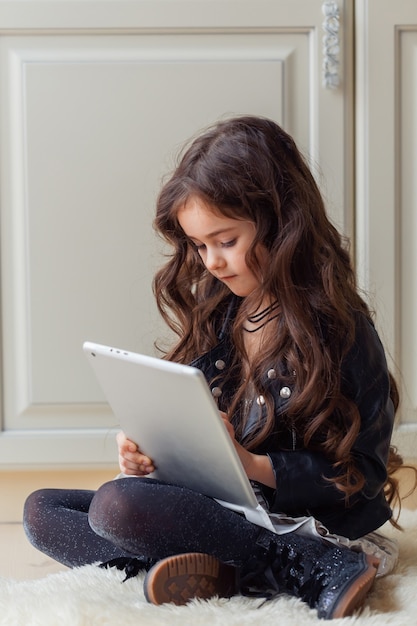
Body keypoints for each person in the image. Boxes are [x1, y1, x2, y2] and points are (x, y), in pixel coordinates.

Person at [24, 116, 411, 620]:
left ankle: (306, 564)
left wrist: (253, 466)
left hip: (307, 522)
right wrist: (150, 451)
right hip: (229, 509)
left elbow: (358, 472)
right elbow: (202, 426)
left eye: (226, 241)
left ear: (282, 223)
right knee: (43, 510)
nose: (211, 262)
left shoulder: (339, 328)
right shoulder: (221, 309)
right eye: (200, 246)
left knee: (118, 508)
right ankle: (227, 568)